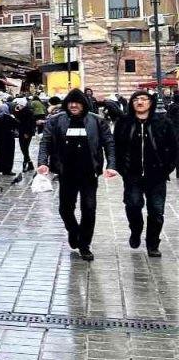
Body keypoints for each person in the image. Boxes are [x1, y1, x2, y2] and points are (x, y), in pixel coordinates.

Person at [38, 88, 116, 262]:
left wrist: (111, 165)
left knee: (89, 209)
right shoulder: (56, 121)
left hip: (89, 173)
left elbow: (109, 144)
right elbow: (46, 142)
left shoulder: (97, 121)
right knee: (65, 209)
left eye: (77, 102)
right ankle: (74, 231)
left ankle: (84, 245)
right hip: (66, 173)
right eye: (70, 103)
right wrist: (42, 162)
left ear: (84, 104)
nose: (73, 105)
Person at [112, 91, 177, 257]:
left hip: (157, 174)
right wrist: (121, 168)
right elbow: (115, 147)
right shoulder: (124, 122)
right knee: (133, 205)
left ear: (151, 102)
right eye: (136, 99)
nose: (139, 102)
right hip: (132, 174)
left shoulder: (162, 122)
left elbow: (174, 146)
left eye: (143, 99)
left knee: (156, 211)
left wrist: (167, 167)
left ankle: (153, 243)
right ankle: (136, 229)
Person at [0, 103, 19, 175]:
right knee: (9, 155)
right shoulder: (9, 118)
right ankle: (7, 170)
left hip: (0, 140)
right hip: (9, 139)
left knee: (0, 154)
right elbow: (17, 124)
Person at [14, 99, 37, 172]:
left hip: (25, 132)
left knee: (24, 148)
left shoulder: (27, 112)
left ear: (22, 105)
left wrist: (26, 133)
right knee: (24, 148)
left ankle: (27, 163)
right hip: (23, 132)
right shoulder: (23, 111)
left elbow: (28, 123)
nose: (18, 106)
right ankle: (29, 163)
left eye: (19, 105)